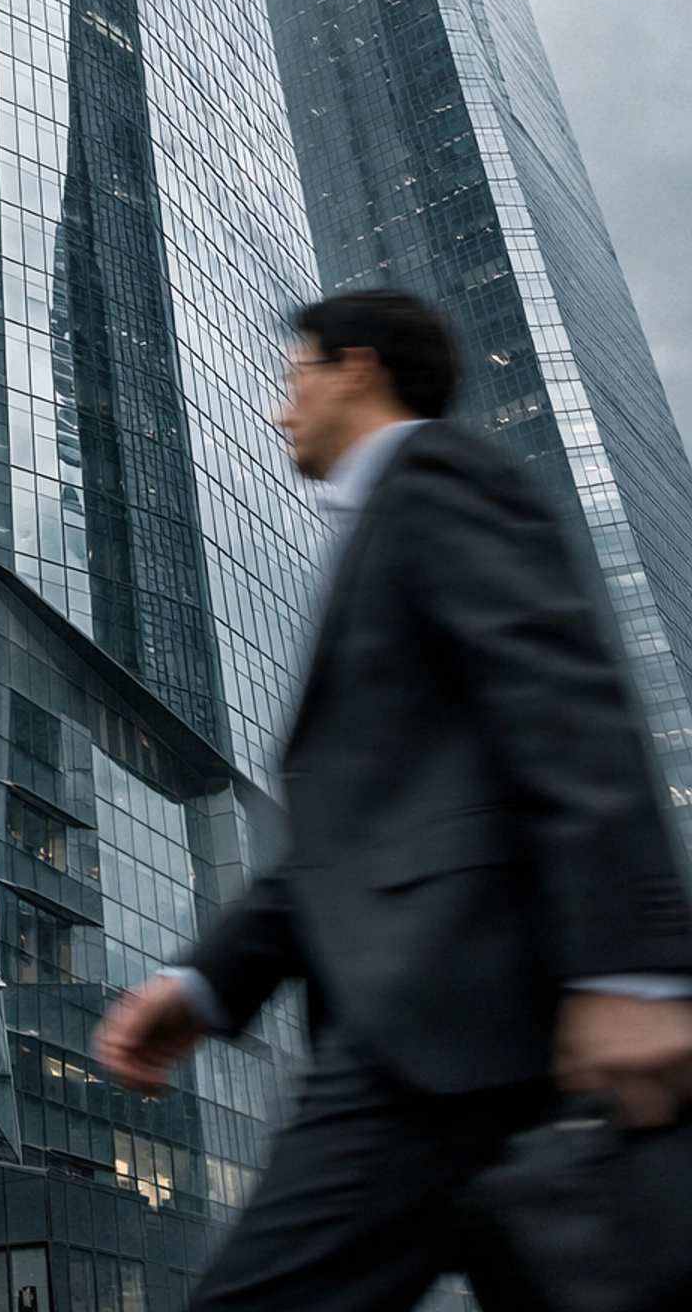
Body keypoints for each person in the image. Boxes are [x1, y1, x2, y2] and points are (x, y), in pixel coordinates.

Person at [93, 288, 692, 1310]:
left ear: (354, 370)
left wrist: (635, 974)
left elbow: (565, 706)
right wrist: (203, 985)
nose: (282, 412)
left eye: (294, 382)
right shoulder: (387, 521)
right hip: (470, 1038)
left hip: (448, 1015)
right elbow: (358, 837)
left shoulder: (439, 479)